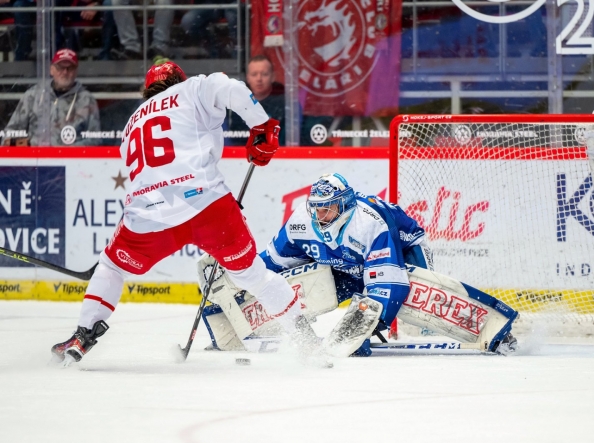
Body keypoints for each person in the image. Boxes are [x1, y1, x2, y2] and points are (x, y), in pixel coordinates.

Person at [50, 61, 318, 366]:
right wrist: (261, 125)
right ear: (179, 79)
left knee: (111, 267)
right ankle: (305, 339)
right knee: (252, 275)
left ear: (147, 89)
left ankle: (82, 336)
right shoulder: (192, 89)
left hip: (148, 218)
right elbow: (231, 89)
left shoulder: (132, 123)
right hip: (208, 207)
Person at [199, 174, 520, 357]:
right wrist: (236, 273)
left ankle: (494, 331)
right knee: (315, 284)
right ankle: (236, 325)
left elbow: (389, 284)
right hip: (345, 265)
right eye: (316, 209)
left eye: (328, 210)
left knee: (414, 302)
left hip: (404, 250)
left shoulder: (368, 225)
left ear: (347, 204)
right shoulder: (301, 223)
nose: (319, 217)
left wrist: (362, 329)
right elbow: (271, 266)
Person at [1, 49, 100, 146]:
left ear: (76, 71)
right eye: (60, 68)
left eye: (70, 68)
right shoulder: (33, 96)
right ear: (51, 70)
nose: (65, 72)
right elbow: (10, 133)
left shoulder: (87, 100)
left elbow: (95, 139)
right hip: (34, 158)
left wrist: (68, 151)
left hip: (70, 160)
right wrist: (28, 146)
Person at [226, 55, 285, 146]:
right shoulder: (236, 105)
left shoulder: (284, 105)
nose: (259, 79)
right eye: (254, 74)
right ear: (248, 78)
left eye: (264, 74)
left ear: (273, 77)